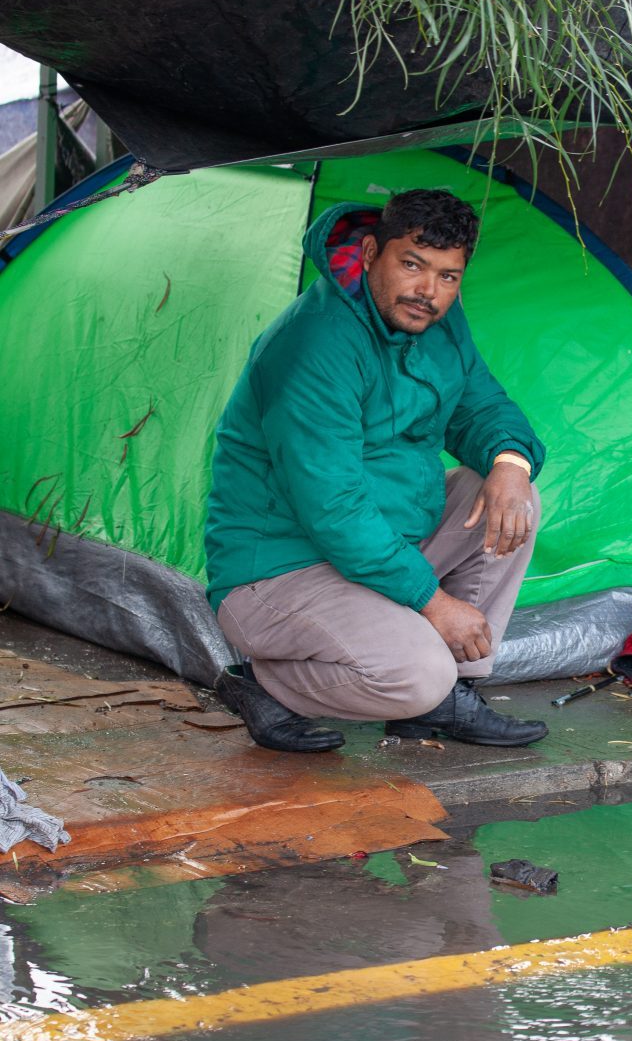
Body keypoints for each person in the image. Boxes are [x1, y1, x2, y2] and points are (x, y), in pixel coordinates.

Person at [204, 187, 548, 754]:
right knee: (417, 674)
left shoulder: (437, 318)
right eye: (411, 265)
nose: (427, 292)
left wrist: (510, 461)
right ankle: (267, 685)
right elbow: (333, 509)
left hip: (379, 545)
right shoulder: (313, 345)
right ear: (369, 254)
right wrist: (433, 603)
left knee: (515, 499)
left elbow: (481, 406)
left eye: (447, 276)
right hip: (280, 569)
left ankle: (448, 700)